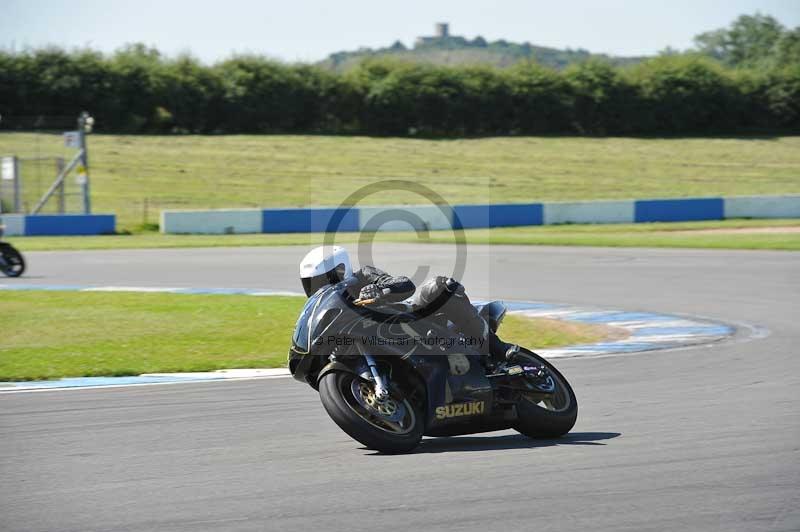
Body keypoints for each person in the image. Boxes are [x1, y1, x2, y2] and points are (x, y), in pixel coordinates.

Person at [299, 245, 517, 364]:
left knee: (438, 287)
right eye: (312, 284)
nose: (318, 289)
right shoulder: (331, 311)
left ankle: (496, 347)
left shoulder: (363, 275)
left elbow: (405, 284)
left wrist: (381, 290)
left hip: (415, 323)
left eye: (322, 281)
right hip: (383, 346)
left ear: (340, 270)